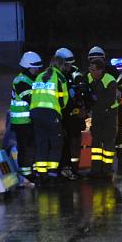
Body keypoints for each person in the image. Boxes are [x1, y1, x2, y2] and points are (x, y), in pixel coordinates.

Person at [87, 46, 122, 175]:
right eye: (92, 59)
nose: (95, 61)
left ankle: (119, 159)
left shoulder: (111, 72)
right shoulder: (89, 74)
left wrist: (119, 92)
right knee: (98, 140)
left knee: (116, 135)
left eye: (97, 59)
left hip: (112, 109)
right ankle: (98, 168)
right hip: (99, 111)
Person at [30, 56, 68, 185]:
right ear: (61, 65)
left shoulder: (40, 76)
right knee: (56, 143)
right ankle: (52, 174)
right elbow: (63, 101)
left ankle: (41, 174)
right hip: (51, 114)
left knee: (41, 143)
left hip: (36, 113)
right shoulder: (60, 78)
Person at [10, 51, 43, 181]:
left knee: (32, 146)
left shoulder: (30, 79)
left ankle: (32, 171)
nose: (37, 69)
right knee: (25, 147)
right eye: (35, 67)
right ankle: (25, 173)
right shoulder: (21, 81)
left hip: (28, 120)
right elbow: (31, 98)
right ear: (27, 66)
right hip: (21, 121)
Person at [55, 47, 85, 180]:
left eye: (70, 64)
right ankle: (62, 168)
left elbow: (81, 83)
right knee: (62, 142)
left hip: (72, 114)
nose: (69, 67)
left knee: (74, 141)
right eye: (67, 64)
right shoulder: (55, 75)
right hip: (61, 114)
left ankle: (73, 168)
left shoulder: (73, 72)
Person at [87, 57, 118, 177]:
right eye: (90, 69)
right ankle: (95, 169)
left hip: (109, 113)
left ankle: (107, 169)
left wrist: (94, 104)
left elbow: (109, 100)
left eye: (93, 70)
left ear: (100, 70)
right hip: (97, 112)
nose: (91, 72)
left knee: (108, 141)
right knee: (96, 141)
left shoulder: (109, 80)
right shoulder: (89, 77)